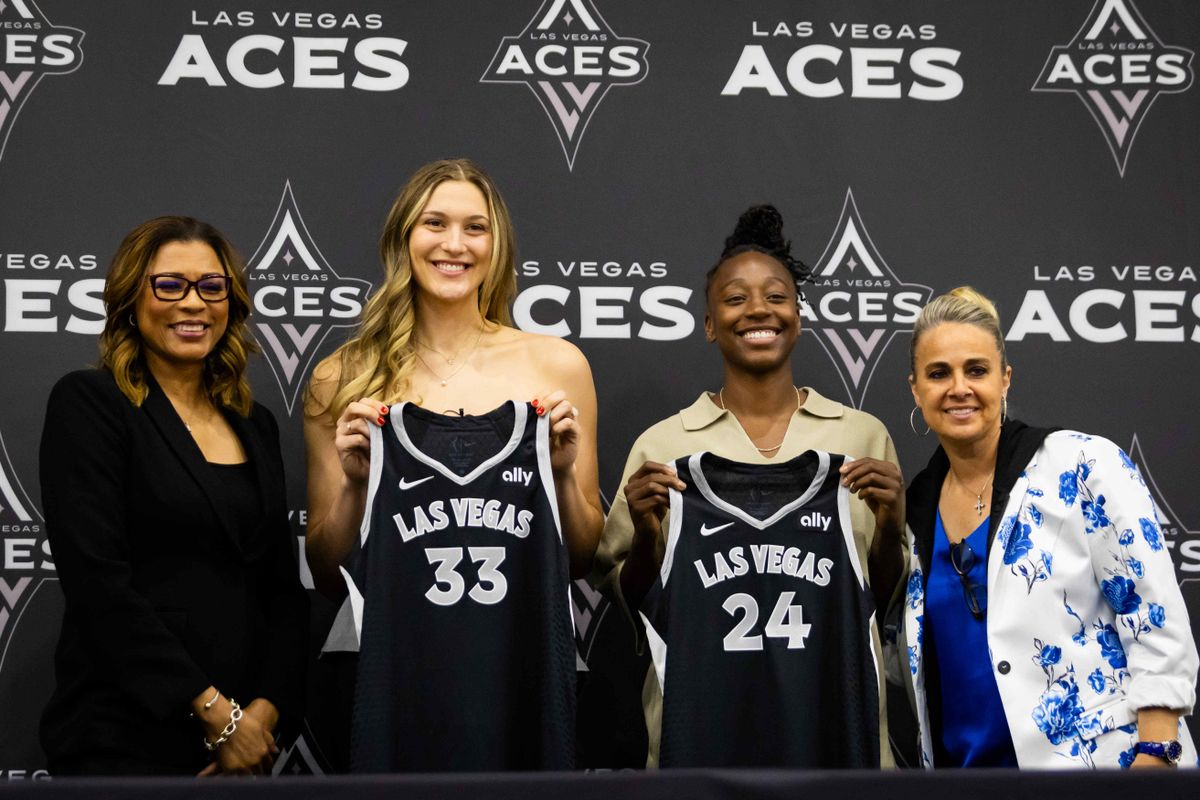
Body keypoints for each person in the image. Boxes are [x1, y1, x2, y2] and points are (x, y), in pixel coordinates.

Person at [304, 158, 603, 771]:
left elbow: (582, 555)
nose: (454, 244)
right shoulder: (341, 377)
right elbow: (327, 569)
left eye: (476, 228)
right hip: (388, 669)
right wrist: (356, 487)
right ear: (402, 238)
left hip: (521, 662)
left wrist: (566, 474)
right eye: (434, 223)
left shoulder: (557, 365)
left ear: (497, 247)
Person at [591, 205, 906, 767]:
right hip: (702, 739)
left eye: (777, 296)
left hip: (835, 735)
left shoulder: (860, 435)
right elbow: (634, 602)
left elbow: (879, 597)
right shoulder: (663, 447)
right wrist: (645, 533)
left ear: (799, 315)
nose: (758, 309)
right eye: (735, 299)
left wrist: (887, 524)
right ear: (710, 323)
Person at [39, 216, 309, 776]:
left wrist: (259, 717)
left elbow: (283, 593)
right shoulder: (90, 404)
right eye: (169, 285)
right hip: (124, 737)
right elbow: (98, 584)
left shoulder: (254, 424)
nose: (194, 303)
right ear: (129, 299)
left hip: (244, 751)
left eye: (212, 287)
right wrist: (215, 715)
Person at [900, 286, 1198, 768]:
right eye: (938, 374)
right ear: (916, 389)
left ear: (1005, 380)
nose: (959, 388)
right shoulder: (914, 511)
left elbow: (1154, 618)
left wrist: (1156, 757)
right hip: (964, 781)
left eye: (977, 370)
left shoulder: (1081, 464)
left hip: (1104, 772)